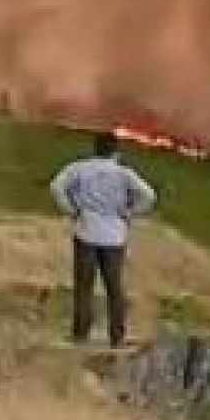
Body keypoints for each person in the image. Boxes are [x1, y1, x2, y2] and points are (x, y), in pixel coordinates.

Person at [50, 131, 157, 348]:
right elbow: (149, 195)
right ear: (115, 151)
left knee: (84, 286)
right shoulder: (123, 174)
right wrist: (130, 212)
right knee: (114, 287)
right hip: (114, 235)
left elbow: (56, 186)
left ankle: (80, 334)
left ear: (95, 148)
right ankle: (117, 337)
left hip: (86, 231)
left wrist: (71, 210)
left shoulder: (80, 168)